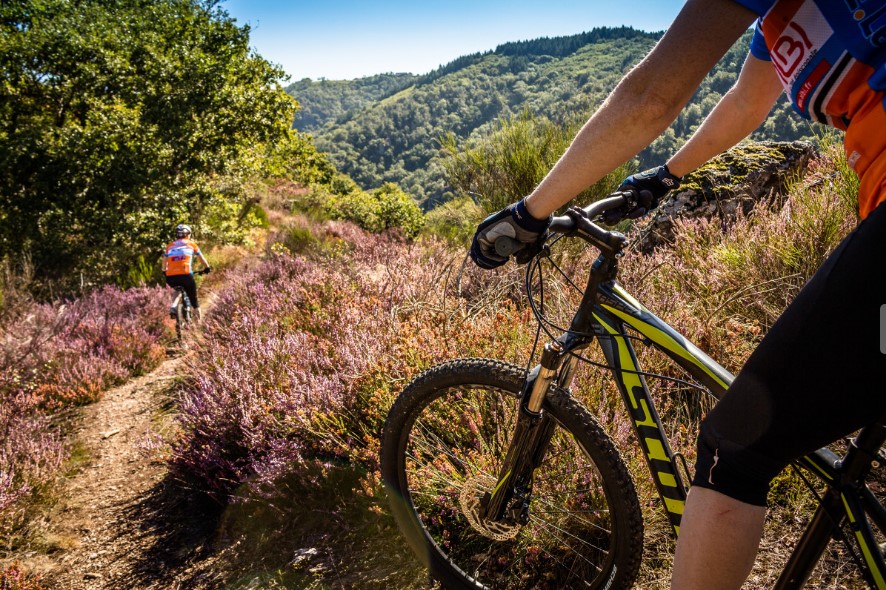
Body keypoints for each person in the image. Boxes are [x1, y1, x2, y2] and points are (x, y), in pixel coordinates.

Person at [469, 1, 886, 588]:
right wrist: (666, 175)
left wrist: (528, 214)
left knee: (733, 448)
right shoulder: (780, 22)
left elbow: (652, 96)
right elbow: (747, 100)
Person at [162, 224, 211, 320]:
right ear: (188, 234)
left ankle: (174, 306)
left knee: (177, 289)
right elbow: (202, 259)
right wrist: (207, 268)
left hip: (171, 276)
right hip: (186, 274)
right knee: (194, 300)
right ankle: (198, 325)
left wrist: (164, 271)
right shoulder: (191, 244)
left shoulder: (169, 246)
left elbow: (164, 262)